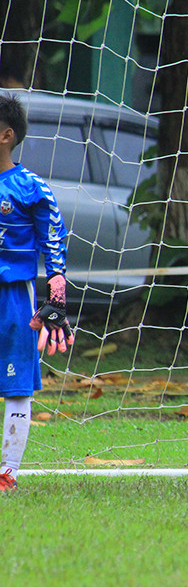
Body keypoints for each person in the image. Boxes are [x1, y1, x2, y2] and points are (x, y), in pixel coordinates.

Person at [0, 92, 73, 491]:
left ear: (6, 135)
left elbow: (53, 239)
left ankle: (7, 472)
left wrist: (56, 291)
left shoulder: (30, 188)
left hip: (14, 297)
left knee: (16, 384)